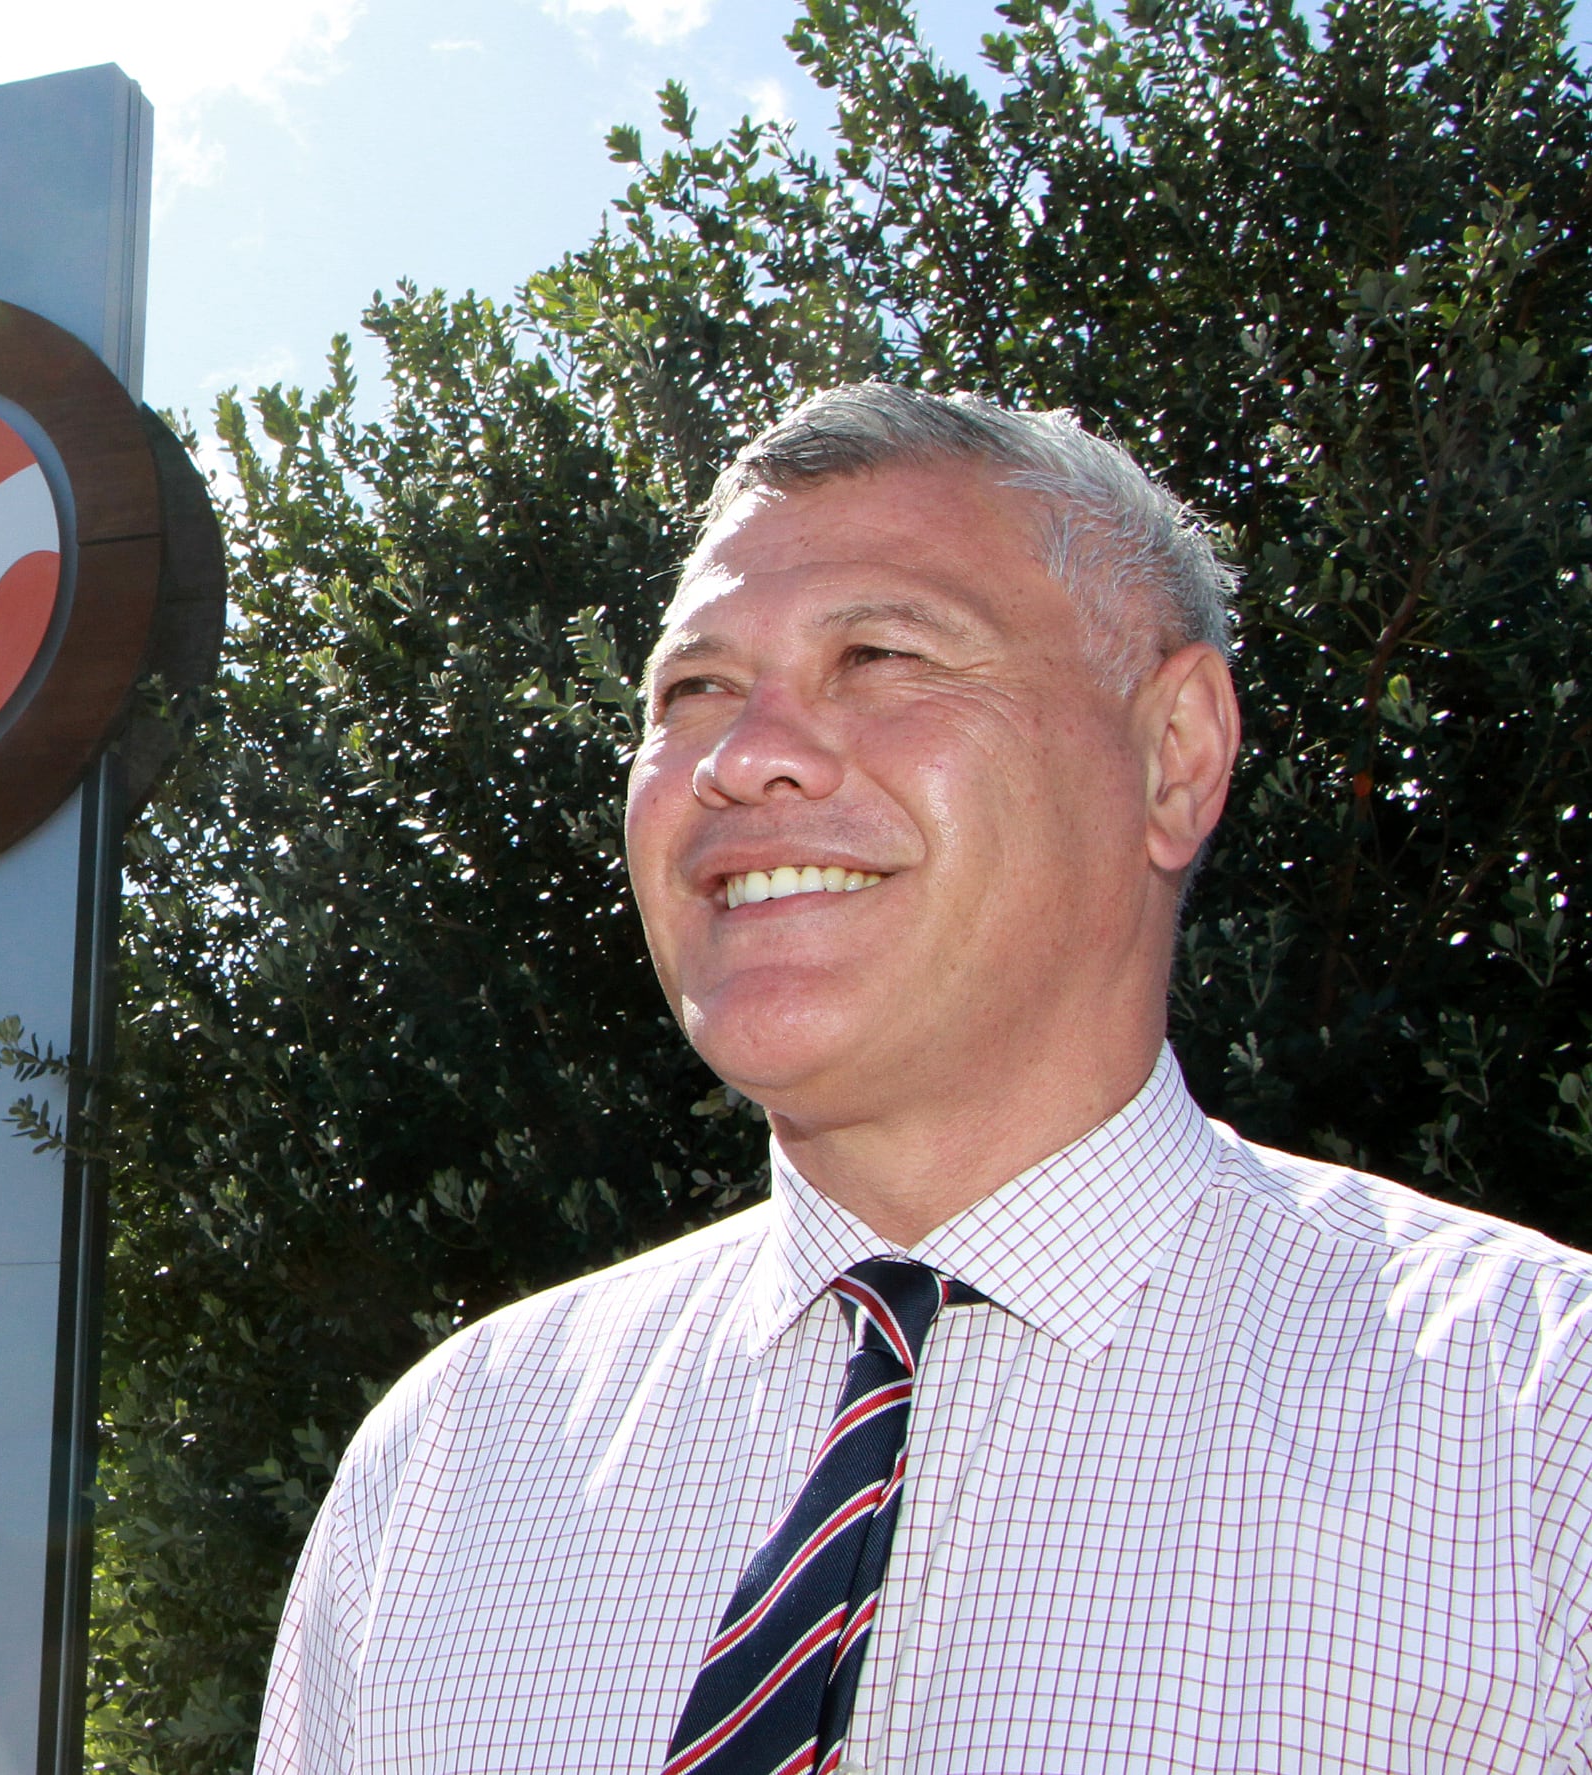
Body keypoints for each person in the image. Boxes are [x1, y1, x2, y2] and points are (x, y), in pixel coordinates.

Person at [252, 384, 1592, 1775]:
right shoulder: (449, 1466)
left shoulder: (1541, 1428)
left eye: (882, 654)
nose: (745, 754)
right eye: (693, 688)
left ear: (1173, 754)